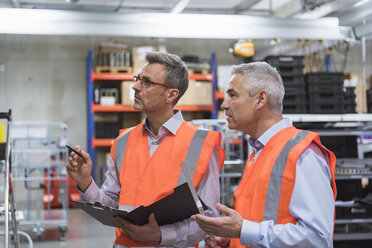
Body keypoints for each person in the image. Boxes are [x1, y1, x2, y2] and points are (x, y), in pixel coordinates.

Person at [66, 51, 225, 248]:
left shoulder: (201, 143)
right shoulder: (123, 141)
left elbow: (208, 218)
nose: (135, 86)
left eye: (147, 82)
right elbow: (112, 204)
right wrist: (85, 182)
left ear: (171, 94)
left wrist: (160, 235)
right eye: (137, 79)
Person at [192, 61, 337, 248]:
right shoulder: (258, 154)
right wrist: (232, 240)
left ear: (260, 99)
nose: (224, 104)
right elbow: (258, 220)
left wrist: (242, 230)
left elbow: (317, 239)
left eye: (232, 95)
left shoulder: (303, 154)